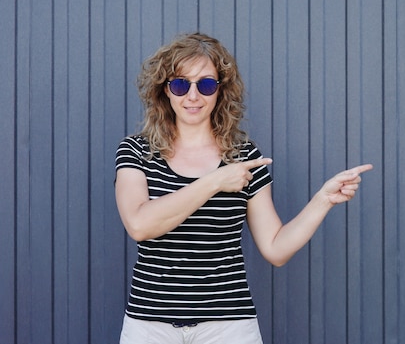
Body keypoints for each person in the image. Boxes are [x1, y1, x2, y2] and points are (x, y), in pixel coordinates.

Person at [115, 32, 373, 344]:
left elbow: (275, 248)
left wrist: (323, 200)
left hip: (229, 326)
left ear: (220, 91)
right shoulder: (136, 152)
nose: (193, 95)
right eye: (181, 83)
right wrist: (215, 181)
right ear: (165, 91)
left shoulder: (244, 157)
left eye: (206, 84)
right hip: (149, 325)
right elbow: (140, 225)